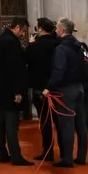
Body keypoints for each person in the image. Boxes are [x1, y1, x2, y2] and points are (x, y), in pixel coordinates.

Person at [44, 18, 88, 168]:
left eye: (56, 29)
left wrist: (49, 87)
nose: (55, 31)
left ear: (62, 30)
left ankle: (67, 159)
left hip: (66, 90)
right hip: (79, 87)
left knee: (66, 125)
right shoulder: (78, 46)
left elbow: (59, 70)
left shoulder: (61, 49)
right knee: (81, 124)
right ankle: (81, 156)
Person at [0, 17, 33, 166]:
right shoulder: (10, 42)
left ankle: (3, 153)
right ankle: (16, 156)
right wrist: (17, 92)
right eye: (22, 31)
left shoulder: (2, 39)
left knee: (1, 124)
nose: (23, 34)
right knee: (11, 124)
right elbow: (13, 69)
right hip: (9, 90)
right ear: (17, 27)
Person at [24, 17, 58, 161]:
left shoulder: (35, 46)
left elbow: (25, 60)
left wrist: (30, 45)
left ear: (40, 29)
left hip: (40, 88)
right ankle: (64, 151)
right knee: (60, 121)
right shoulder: (58, 43)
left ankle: (48, 150)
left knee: (45, 121)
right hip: (57, 86)